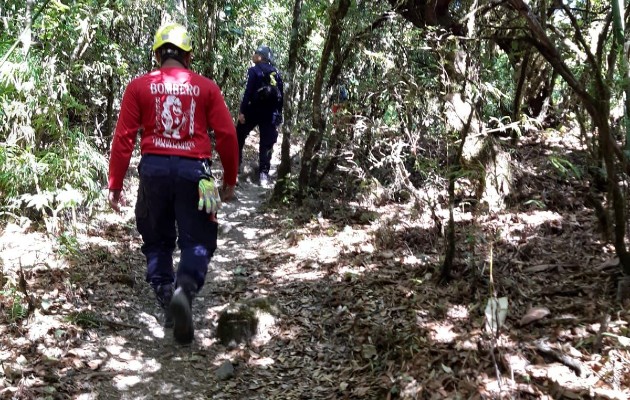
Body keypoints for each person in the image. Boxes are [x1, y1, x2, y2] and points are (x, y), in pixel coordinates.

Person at [107, 23, 238, 345]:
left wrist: (115, 183)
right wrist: (230, 179)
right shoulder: (206, 87)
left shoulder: (139, 86)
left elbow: (123, 137)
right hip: (198, 174)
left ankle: (167, 294)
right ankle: (185, 289)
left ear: (157, 54)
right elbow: (227, 135)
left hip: (152, 170)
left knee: (156, 238)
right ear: (188, 56)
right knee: (199, 239)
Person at [236, 45, 284, 187]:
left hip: (254, 110)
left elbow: (248, 92)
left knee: (239, 134)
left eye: (255, 52)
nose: (253, 54)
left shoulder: (254, 70)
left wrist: (242, 111)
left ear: (260, 57)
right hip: (270, 113)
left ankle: (237, 166)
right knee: (266, 143)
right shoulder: (276, 72)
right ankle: (264, 174)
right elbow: (281, 96)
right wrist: (279, 115)